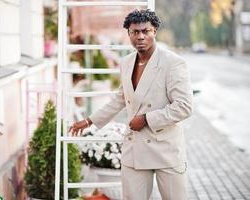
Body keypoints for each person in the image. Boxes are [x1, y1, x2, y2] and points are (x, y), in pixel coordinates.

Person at [69, 9, 193, 200]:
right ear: (128, 34)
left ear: (155, 32)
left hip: (166, 149)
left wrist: (146, 119)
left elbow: (184, 106)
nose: (140, 36)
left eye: (146, 31)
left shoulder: (173, 63)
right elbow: (120, 98)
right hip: (135, 149)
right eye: (135, 32)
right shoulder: (126, 62)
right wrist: (89, 121)